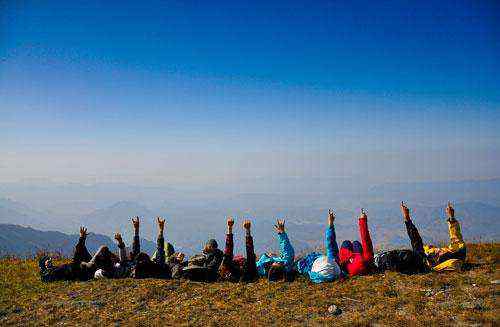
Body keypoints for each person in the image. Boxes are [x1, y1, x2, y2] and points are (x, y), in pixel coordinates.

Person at [374, 202, 466, 274]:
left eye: (436, 254)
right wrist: (407, 219)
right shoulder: (454, 250)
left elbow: (416, 241)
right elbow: (416, 240)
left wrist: (407, 219)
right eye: (437, 251)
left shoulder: (427, 262)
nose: (436, 250)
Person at [39, 227, 115, 282]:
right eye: (47, 260)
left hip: (79, 268)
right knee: (102, 248)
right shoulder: (48, 273)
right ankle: (93, 262)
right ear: (43, 266)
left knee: (84, 250)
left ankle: (83, 241)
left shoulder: (53, 270)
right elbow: (45, 277)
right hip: (80, 270)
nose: (50, 260)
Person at [295, 209, 342, 283]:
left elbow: (331, 244)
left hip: (328, 270)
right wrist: (331, 225)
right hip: (327, 270)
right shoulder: (327, 260)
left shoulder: (329, 261)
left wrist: (331, 225)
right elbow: (330, 243)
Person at [218, 217, 258, 282]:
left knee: (227, 259)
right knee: (250, 259)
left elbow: (228, 253)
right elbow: (250, 252)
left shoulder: (230, 271)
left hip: (239, 276)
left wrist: (230, 229)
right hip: (246, 276)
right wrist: (248, 231)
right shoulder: (250, 271)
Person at [338, 209, 375, 277]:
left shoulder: (368, 258)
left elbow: (365, 238)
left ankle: (352, 253)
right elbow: (365, 239)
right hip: (355, 263)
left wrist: (362, 220)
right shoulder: (367, 259)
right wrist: (363, 220)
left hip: (350, 264)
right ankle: (353, 255)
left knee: (347, 243)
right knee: (355, 243)